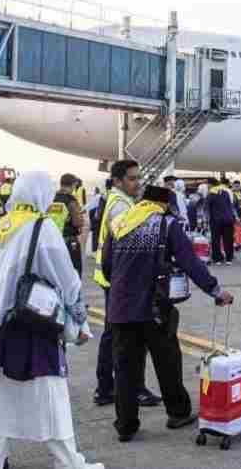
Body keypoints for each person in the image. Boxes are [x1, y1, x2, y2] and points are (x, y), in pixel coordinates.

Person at [0, 171, 102, 469]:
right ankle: (70, 463)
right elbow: (66, 280)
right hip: (29, 329)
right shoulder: (42, 226)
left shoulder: (4, 225)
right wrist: (79, 322)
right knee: (52, 401)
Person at [102, 185, 234, 442]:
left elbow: (107, 266)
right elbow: (190, 262)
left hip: (120, 308)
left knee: (126, 368)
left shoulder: (119, 224)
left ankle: (126, 425)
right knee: (167, 362)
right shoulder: (166, 224)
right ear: (164, 205)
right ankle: (177, 412)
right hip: (154, 308)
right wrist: (216, 291)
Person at [93, 160, 162, 408]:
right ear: (118, 181)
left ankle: (105, 388)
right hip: (121, 281)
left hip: (112, 279)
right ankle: (133, 389)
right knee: (130, 339)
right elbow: (133, 245)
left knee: (113, 336)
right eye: (132, 179)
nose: (138, 183)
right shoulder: (120, 206)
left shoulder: (118, 200)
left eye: (138, 178)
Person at [47, 173, 86, 276]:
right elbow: (77, 222)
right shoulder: (71, 200)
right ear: (72, 184)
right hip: (68, 241)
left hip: (51, 240)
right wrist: (80, 216)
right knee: (74, 271)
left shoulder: (51, 198)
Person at [208, 178, 238, 266]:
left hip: (216, 221)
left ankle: (218, 259)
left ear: (211, 185)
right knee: (228, 239)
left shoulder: (211, 194)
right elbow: (231, 205)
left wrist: (204, 220)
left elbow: (207, 208)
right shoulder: (226, 192)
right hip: (228, 220)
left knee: (216, 240)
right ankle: (229, 258)